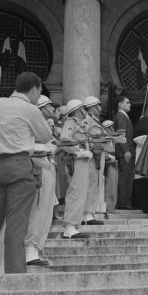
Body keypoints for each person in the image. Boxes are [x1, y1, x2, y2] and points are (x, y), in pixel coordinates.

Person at [0, 72, 52, 274]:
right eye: (39, 92)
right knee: (16, 225)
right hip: (19, 165)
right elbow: (46, 136)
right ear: (35, 88)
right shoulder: (30, 109)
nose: (39, 96)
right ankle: (15, 277)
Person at [23, 95, 59, 266]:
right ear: (40, 108)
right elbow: (32, 148)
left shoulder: (44, 125)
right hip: (37, 168)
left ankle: (34, 249)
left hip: (46, 166)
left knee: (45, 212)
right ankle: (30, 250)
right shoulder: (32, 124)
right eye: (48, 106)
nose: (52, 109)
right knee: (36, 210)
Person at [58, 99, 96, 238]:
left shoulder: (78, 123)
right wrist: (77, 151)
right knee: (76, 191)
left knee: (80, 192)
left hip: (83, 158)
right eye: (82, 108)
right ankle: (69, 226)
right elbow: (64, 139)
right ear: (78, 109)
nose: (84, 111)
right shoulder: (71, 122)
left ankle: (73, 225)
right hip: (77, 159)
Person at [113, 95, 135, 209]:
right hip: (125, 152)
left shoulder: (124, 116)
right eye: (127, 102)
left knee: (126, 177)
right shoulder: (121, 116)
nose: (130, 104)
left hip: (126, 151)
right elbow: (121, 135)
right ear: (120, 104)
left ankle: (125, 201)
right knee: (125, 178)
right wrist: (126, 151)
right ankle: (123, 203)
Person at [101, 120, 119, 214]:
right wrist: (110, 157)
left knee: (113, 187)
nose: (112, 129)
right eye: (109, 127)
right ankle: (107, 208)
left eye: (112, 127)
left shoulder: (114, 140)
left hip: (114, 164)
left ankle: (112, 208)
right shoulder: (103, 139)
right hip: (106, 164)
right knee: (107, 188)